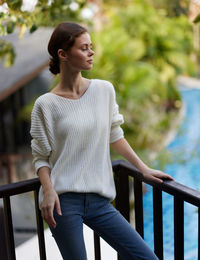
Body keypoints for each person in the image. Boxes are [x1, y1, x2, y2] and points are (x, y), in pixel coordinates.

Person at [30, 22, 173, 260]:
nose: (91, 52)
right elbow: (41, 156)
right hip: (63, 203)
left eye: (91, 46)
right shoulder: (45, 104)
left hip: (99, 200)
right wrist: (48, 191)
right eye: (84, 48)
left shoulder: (104, 90)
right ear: (63, 54)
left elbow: (115, 135)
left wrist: (143, 168)